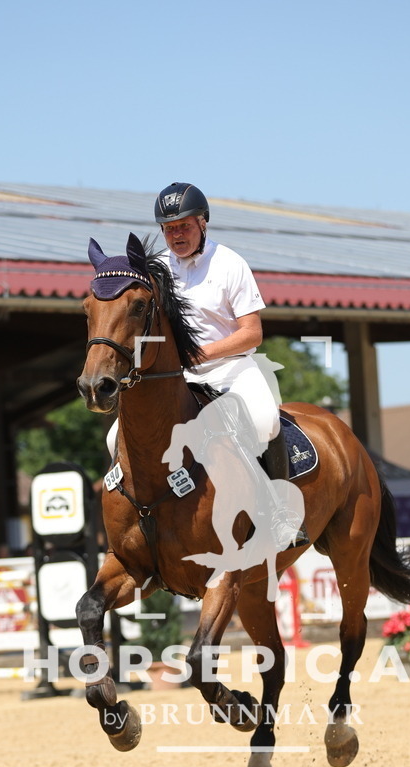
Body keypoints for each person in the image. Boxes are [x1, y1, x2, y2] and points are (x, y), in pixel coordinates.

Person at [153, 181, 309, 549]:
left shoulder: (230, 263)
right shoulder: (157, 268)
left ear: (203, 222)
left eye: (184, 226)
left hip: (231, 368)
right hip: (177, 375)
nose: (176, 235)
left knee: (266, 418)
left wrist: (200, 354)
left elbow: (252, 333)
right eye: (169, 229)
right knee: (115, 434)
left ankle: (280, 513)